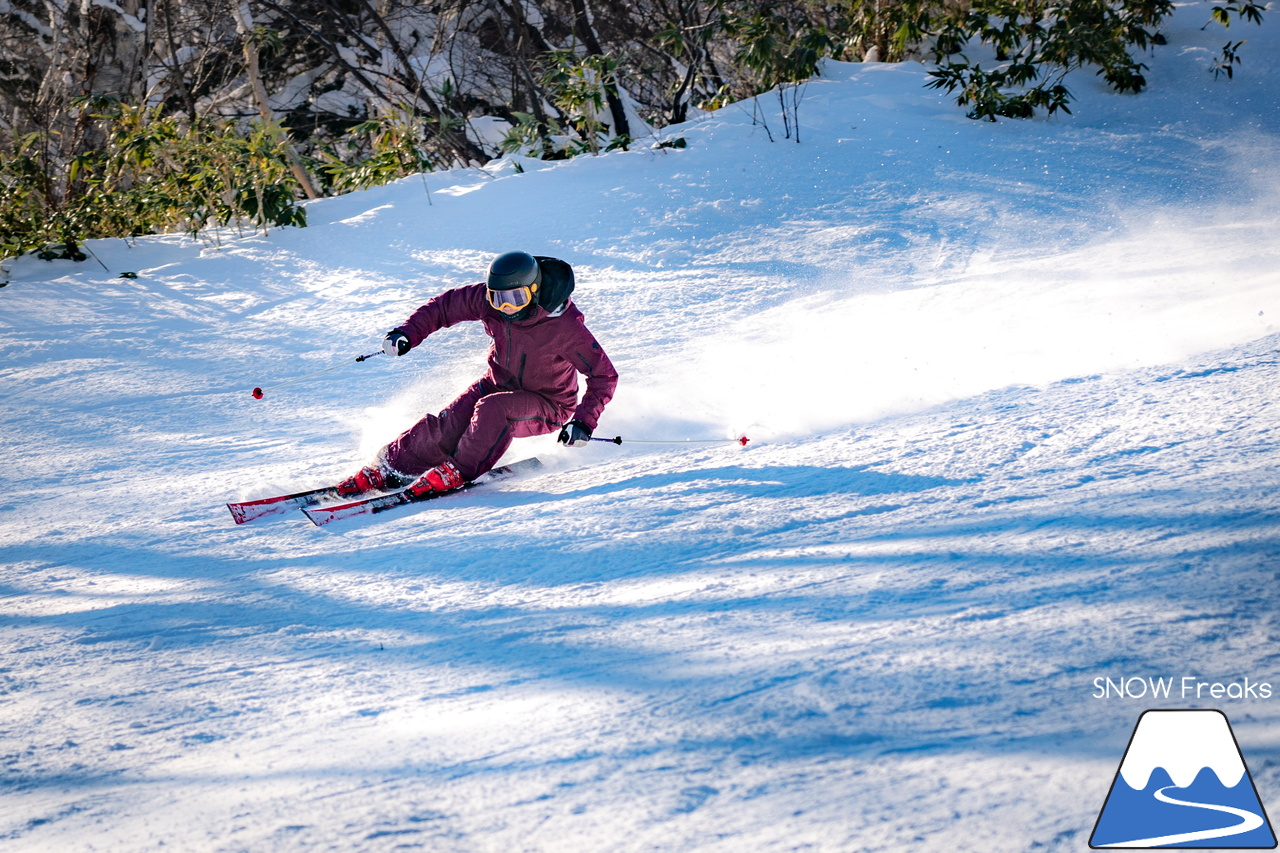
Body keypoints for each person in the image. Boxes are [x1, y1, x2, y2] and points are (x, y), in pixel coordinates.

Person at [336, 251, 618, 498]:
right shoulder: (487, 301)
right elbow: (443, 307)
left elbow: (603, 376)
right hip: (495, 384)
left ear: (534, 290)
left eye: (516, 298)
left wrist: (583, 422)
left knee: (493, 409)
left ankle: (457, 471)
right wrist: (407, 333)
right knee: (446, 425)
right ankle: (390, 468)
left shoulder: (564, 326)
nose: (507, 307)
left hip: (548, 404)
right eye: (498, 299)